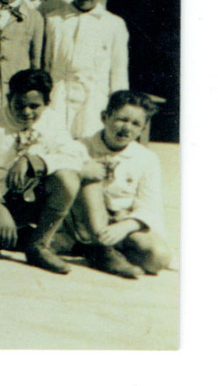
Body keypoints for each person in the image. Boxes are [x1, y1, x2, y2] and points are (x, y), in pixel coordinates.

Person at [0, 68, 84, 273]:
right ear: (9, 98)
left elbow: (75, 157)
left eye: (34, 106)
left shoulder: (52, 120)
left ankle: (39, 246)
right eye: (20, 105)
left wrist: (34, 160)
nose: (27, 112)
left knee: (67, 179)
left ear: (47, 103)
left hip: (29, 200)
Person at [67, 90, 171, 279]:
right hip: (83, 223)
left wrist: (126, 225)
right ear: (104, 117)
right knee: (90, 171)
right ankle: (102, 252)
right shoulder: (80, 147)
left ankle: (100, 251)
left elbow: (150, 204)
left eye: (135, 123)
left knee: (158, 257)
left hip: (121, 224)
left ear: (143, 128)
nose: (126, 128)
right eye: (121, 119)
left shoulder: (147, 158)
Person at [43, 0, 130, 138]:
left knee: (89, 143)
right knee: (54, 140)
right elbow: (46, 62)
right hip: (58, 96)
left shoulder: (114, 24)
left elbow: (119, 70)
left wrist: (118, 106)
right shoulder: (54, 20)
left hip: (94, 99)